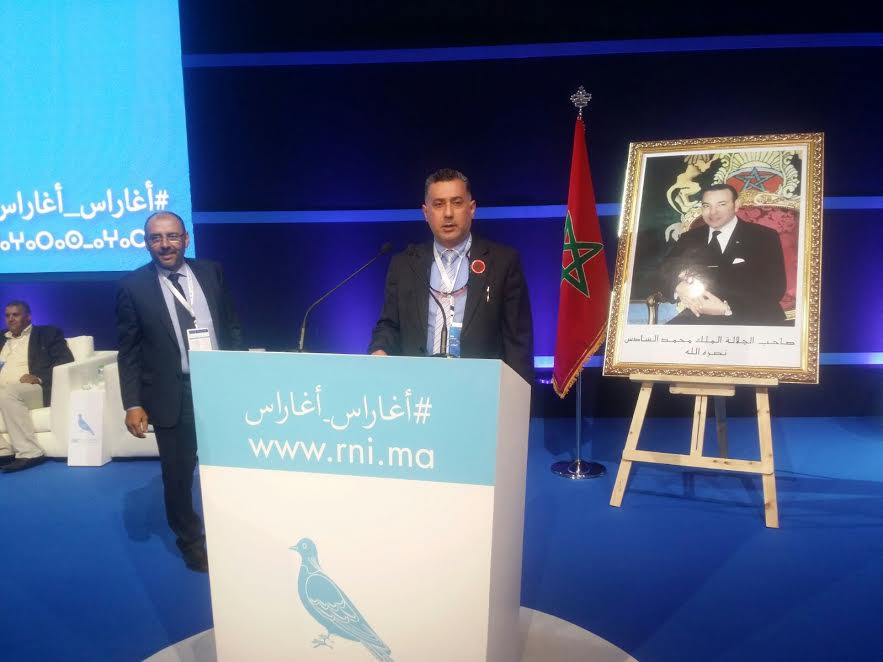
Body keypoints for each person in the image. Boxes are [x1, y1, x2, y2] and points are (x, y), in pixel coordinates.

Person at [116, 211, 242, 572]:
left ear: (185, 239)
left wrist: (240, 374)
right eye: (156, 238)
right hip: (174, 393)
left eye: (172, 236)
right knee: (178, 474)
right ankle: (191, 540)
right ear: (146, 243)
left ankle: (233, 530)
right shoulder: (132, 286)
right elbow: (129, 351)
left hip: (219, 387)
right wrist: (133, 403)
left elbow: (231, 325)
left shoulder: (211, 272)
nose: (165, 244)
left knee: (227, 466)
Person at [369, 168, 534, 382]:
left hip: (479, 388)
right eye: (438, 204)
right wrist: (380, 349)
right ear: (426, 213)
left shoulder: (502, 262)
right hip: (416, 387)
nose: (448, 213)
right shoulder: (405, 264)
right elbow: (388, 326)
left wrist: (517, 396)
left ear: (471, 209)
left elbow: (517, 343)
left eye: (456, 203)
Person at [662, 183, 787, 325]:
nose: (713, 212)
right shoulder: (690, 237)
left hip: (753, 315)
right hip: (699, 315)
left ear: (736, 205)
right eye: (706, 206)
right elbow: (664, 270)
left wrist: (727, 309)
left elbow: (775, 288)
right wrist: (677, 286)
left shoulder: (764, 236)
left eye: (721, 204)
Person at [0, 301, 74, 473]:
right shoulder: (1, 338)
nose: (10, 319)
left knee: (8, 393)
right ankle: (3, 451)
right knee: (5, 392)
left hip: (33, 388)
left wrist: (39, 377)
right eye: (7, 315)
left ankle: (30, 452)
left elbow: (66, 361)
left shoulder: (47, 334)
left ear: (28, 317)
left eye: (16, 315)